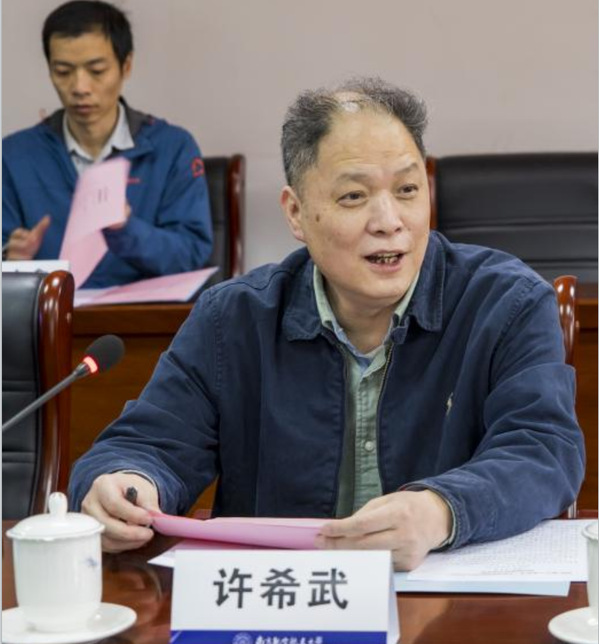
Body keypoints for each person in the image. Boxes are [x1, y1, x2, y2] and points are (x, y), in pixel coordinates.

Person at [69, 77, 584, 570]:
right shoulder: (233, 320)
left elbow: (544, 450)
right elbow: (146, 445)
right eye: (354, 196)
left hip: (444, 605)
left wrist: (440, 510)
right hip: (278, 603)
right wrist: (124, 484)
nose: (390, 221)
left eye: (407, 189)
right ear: (296, 213)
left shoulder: (506, 304)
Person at [2, 0, 212, 288]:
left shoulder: (173, 148)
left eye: (97, 70)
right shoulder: (14, 156)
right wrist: (11, 261)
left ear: (126, 66)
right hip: (52, 314)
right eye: (63, 71)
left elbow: (192, 254)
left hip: (144, 314)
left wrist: (126, 229)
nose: (80, 87)